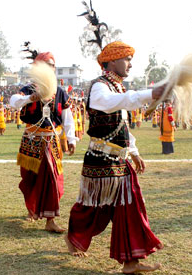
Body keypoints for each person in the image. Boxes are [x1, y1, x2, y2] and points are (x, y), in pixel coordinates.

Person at [64, 41, 165, 274]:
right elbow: (109, 104)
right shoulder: (100, 87)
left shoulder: (118, 88)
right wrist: (148, 94)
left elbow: (121, 125)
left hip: (120, 159)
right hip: (100, 158)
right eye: (127, 59)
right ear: (112, 61)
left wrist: (134, 151)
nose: (130, 64)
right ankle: (74, 237)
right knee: (90, 208)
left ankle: (131, 262)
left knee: (130, 206)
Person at [10, 51, 77, 233]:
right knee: (29, 179)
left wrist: (71, 138)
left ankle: (50, 220)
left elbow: (67, 116)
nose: (50, 68)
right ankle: (32, 207)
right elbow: (14, 101)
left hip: (51, 140)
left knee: (53, 179)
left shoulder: (60, 92)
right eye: (46, 64)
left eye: (53, 65)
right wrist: (30, 98)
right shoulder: (28, 89)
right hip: (32, 140)